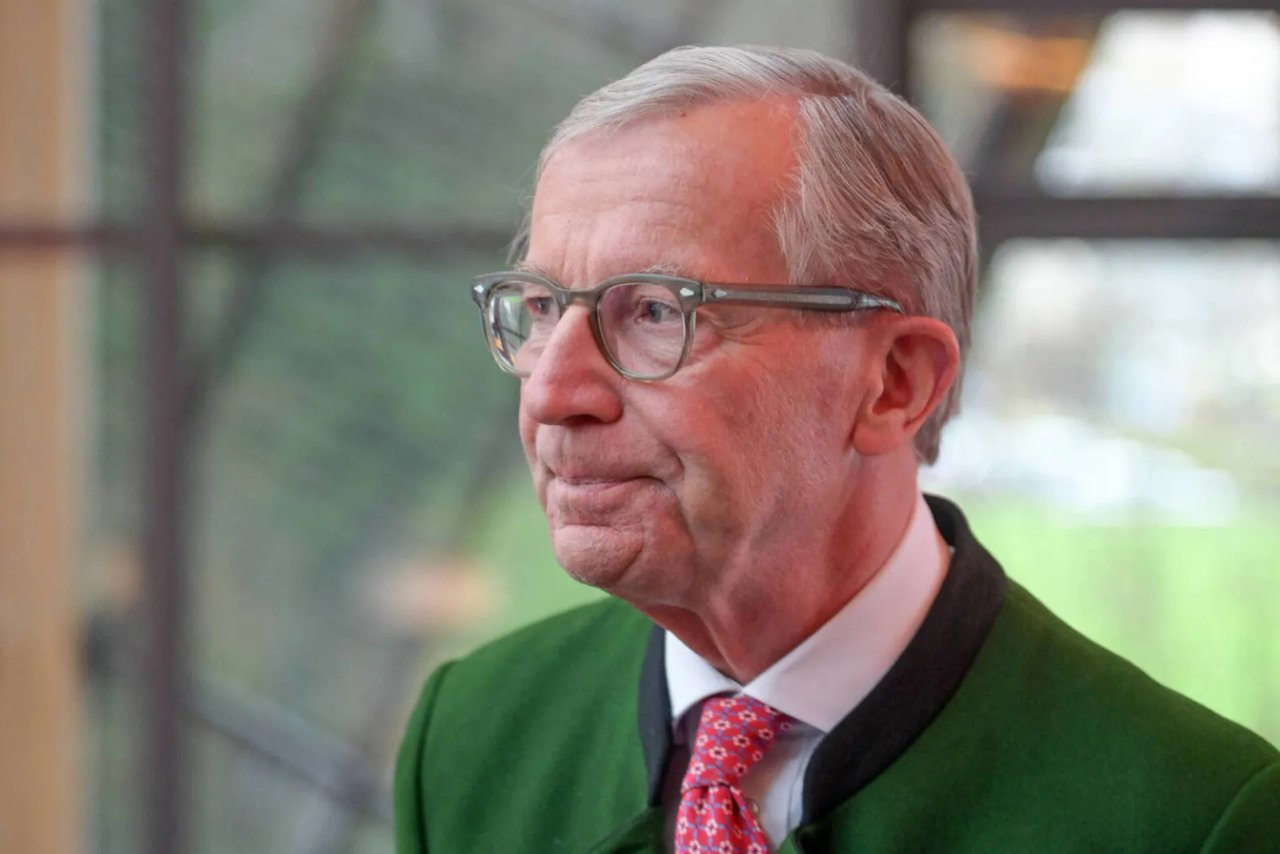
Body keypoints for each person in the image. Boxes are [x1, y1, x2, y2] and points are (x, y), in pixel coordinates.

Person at [394, 45, 1279, 853]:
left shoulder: (1196, 819)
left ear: (896, 383)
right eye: (542, 308)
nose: (553, 392)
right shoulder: (468, 734)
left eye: (658, 310)